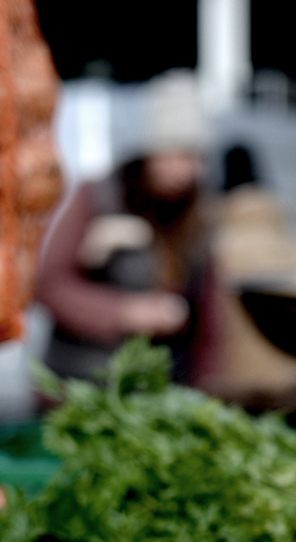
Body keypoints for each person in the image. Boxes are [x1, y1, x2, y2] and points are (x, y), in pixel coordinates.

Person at [36, 70, 221, 386]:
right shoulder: (99, 197)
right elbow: (49, 283)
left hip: (158, 386)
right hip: (82, 382)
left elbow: (211, 315)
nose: (188, 170)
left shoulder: (198, 217)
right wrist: (123, 312)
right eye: (179, 153)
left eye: (196, 157)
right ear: (154, 150)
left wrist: (208, 385)